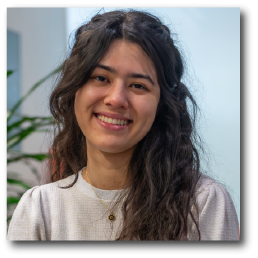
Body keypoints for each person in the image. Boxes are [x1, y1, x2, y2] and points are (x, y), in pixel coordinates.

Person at [7, 9, 239, 241]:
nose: (116, 99)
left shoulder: (203, 202)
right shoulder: (39, 209)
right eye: (101, 78)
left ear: (162, 104)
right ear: (74, 89)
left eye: (138, 85)